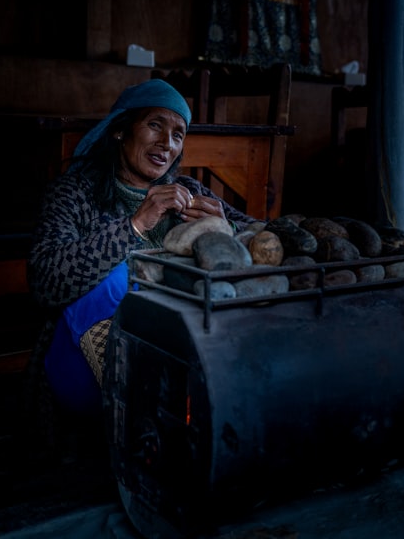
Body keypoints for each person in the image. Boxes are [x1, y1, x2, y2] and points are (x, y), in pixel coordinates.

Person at [25, 78, 257, 422]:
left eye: (177, 134)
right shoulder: (74, 192)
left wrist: (228, 229)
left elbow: (266, 234)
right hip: (80, 370)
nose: (166, 143)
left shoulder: (188, 191)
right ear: (121, 130)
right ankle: (146, 416)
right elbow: (45, 281)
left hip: (176, 363)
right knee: (116, 279)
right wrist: (135, 224)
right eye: (154, 125)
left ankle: (183, 416)